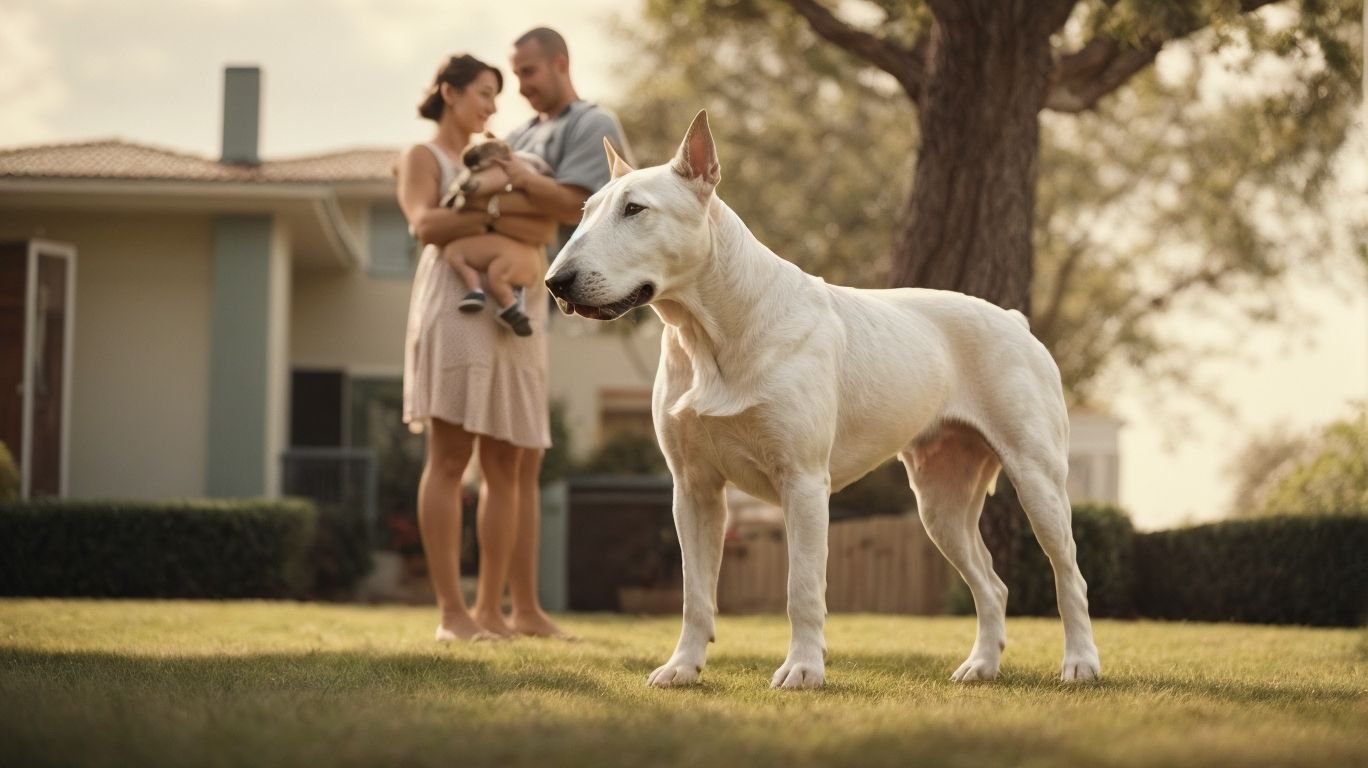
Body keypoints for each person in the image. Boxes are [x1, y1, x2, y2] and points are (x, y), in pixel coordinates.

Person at [397, 53, 560, 641]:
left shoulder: (503, 159)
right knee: (448, 457)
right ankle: (451, 614)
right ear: (450, 91)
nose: (493, 106)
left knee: (506, 461)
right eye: (485, 93)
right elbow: (426, 227)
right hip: (455, 307)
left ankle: (491, 613)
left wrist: (478, 212)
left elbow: (541, 231)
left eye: (497, 95)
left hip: (511, 315)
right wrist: (497, 218)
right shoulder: (425, 157)